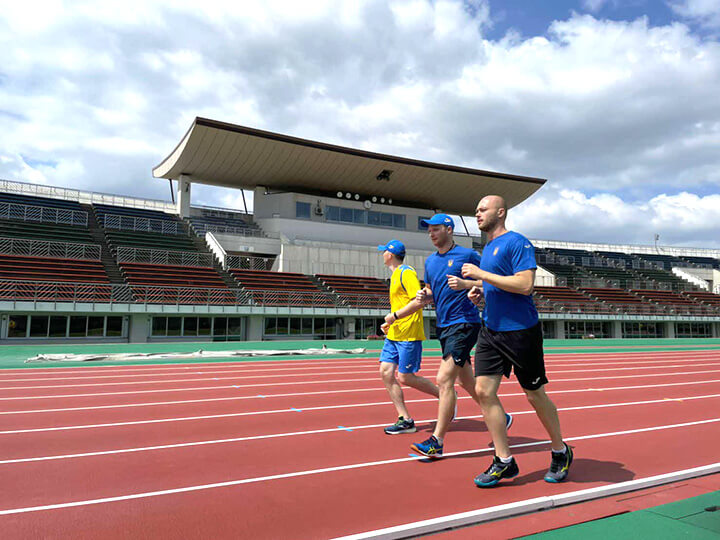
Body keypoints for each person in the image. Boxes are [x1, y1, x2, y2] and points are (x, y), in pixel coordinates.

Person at [462, 195, 573, 487]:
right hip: (491, 330)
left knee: (534, 394)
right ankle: (504, 461)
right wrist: (482, 292)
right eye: (476, 210)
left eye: (482, 209)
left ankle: (560, 450)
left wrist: (480, 275)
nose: (477, 214)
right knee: (483, 391)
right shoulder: (487, 248)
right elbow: (498, 284)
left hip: (521, 331)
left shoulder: (517, 242)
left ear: (501, 212)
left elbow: (525, 285)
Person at [407, 214, 512, 458]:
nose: (431, 233)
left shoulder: (468, 256)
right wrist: (425, 296)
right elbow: (432, 290)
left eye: (435, 229)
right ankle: (502, 416)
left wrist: (467, 285)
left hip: (465, 323)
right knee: (466, 381)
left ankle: (437, 441)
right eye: (429, 230)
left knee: (444, 380)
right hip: (444, 326)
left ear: (449, 229)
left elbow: (491, 280)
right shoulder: (431, 262)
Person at [376, 239, 440, 434]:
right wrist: (390, 322)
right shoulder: (395, 275)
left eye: (384, 251)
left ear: (391, 254)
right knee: (386, 373)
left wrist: (394, 317)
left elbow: (418, 301)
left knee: (405, 377)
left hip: (409, 333)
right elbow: (400, 304)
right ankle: (405, 419)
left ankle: (445, 395)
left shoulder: (406, 272)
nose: (382, 254)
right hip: (395, 333)